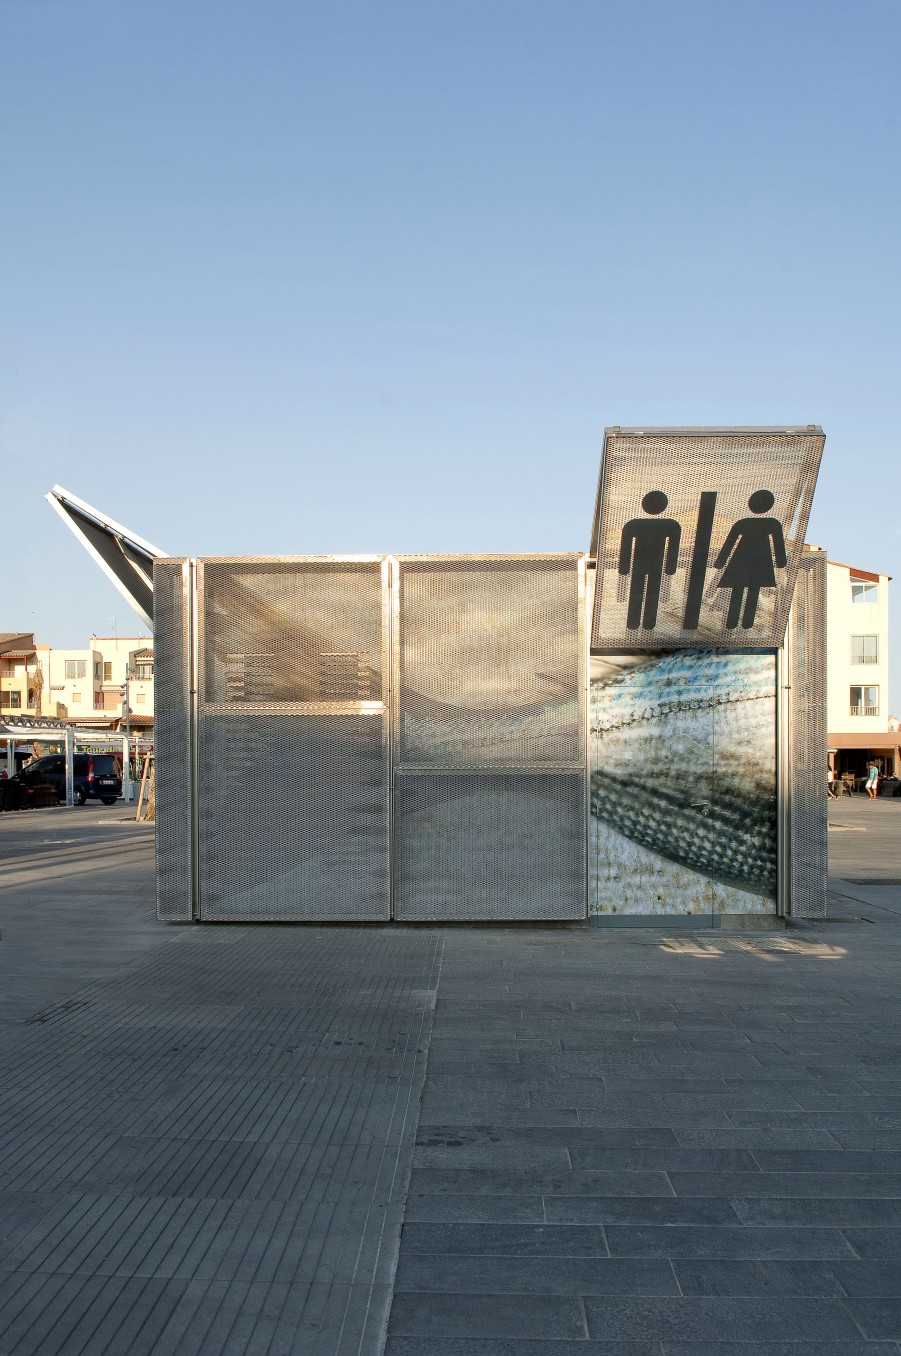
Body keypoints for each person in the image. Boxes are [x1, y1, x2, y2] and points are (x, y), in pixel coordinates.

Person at [713, 489, 787, 629]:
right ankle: (746, 622)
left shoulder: (743, 523)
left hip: (741, 558)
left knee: (739, 589)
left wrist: (720, 562)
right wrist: (781, 561)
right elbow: (779, 546)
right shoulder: (772, 523)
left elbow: (729, 543)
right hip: (760, 560)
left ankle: (732, 621)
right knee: (753, 589)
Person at [618, 490, 681, 630]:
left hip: (644, 565)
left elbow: (626, 546)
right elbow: (673, 547)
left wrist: (624, 567)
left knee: (641, 591)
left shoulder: (634, 524)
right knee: (648, 592)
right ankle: (644, 623)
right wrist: (670, 567)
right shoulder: (670, 525)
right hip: (652, 564)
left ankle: (638, 623)